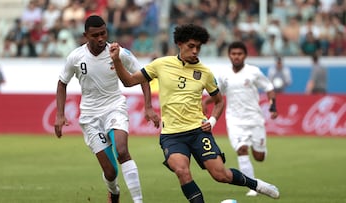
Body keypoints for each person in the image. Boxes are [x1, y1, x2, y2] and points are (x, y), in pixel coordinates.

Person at [109, 24, 280, 202]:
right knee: (182, 171)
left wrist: (212, 121)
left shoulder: (205, 72)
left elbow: (219, 101)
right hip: (172, 135)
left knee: (221, 175)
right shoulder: (161, 64)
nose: (195, 51)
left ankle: (257, 185)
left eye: (198, 47)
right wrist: (116, 60)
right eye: (191, 46)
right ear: (180, 44)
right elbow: (129, 81)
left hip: (198, 132)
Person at [54, 15, 160, 203]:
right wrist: (60, 115)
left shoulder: (118, 53)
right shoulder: (76, 57)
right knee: (110, 172)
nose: (101, 38)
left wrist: (149, 107)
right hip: (90, 116)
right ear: (86, 35)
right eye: (95, 35)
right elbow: (62, 83)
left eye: (103, 33)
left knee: (122, 150)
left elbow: (143, 76)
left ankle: (138, 201)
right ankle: (114, 192)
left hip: (114, 107)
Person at [203, 41, 279, 197]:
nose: (236, 57)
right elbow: (218, 93)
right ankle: (253, 187)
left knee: (259, 157)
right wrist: (205, 101)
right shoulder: (224, 75)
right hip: (235, 120)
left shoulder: (254, 72)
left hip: (254, 119)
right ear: (229, 55)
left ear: (245, 55)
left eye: (239, 54)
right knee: (241, 149)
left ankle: (258, 148)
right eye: (233, 54)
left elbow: (269, 87)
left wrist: (273, 106)